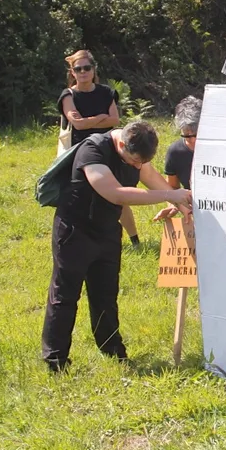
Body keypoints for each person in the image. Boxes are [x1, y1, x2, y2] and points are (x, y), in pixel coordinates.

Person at [41, 121, 192, 371]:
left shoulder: (137, 155)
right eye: (133, 161)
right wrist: (169, 196)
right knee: (65, 295)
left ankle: (113, 351)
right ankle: (55, 361)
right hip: (75, 231)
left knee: (106, 294)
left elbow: (154, 180)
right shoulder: (93, 151)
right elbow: (116, 194)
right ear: (121, 143)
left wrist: (182, 205)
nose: (136, 167)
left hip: (108, 231)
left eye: (140, 163)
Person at [57, 50, 140, 246]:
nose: (83, 72)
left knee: (119, 197)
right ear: (72, 72)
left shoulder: (106, 92)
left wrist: (91, 121)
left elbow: (115, 120)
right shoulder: (68, 95)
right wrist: (101, 118)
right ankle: (81, 238)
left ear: (94, 70)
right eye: (78, 69)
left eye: (87, 68)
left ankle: (135, 240)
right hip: (80, 152)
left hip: (107, 149)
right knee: (82, 199)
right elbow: (77, 124)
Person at [163, 96, 200, 190]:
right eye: (186, 136)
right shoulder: (175, 152)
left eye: (197, 134)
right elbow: (173, 188)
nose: (193, 140)